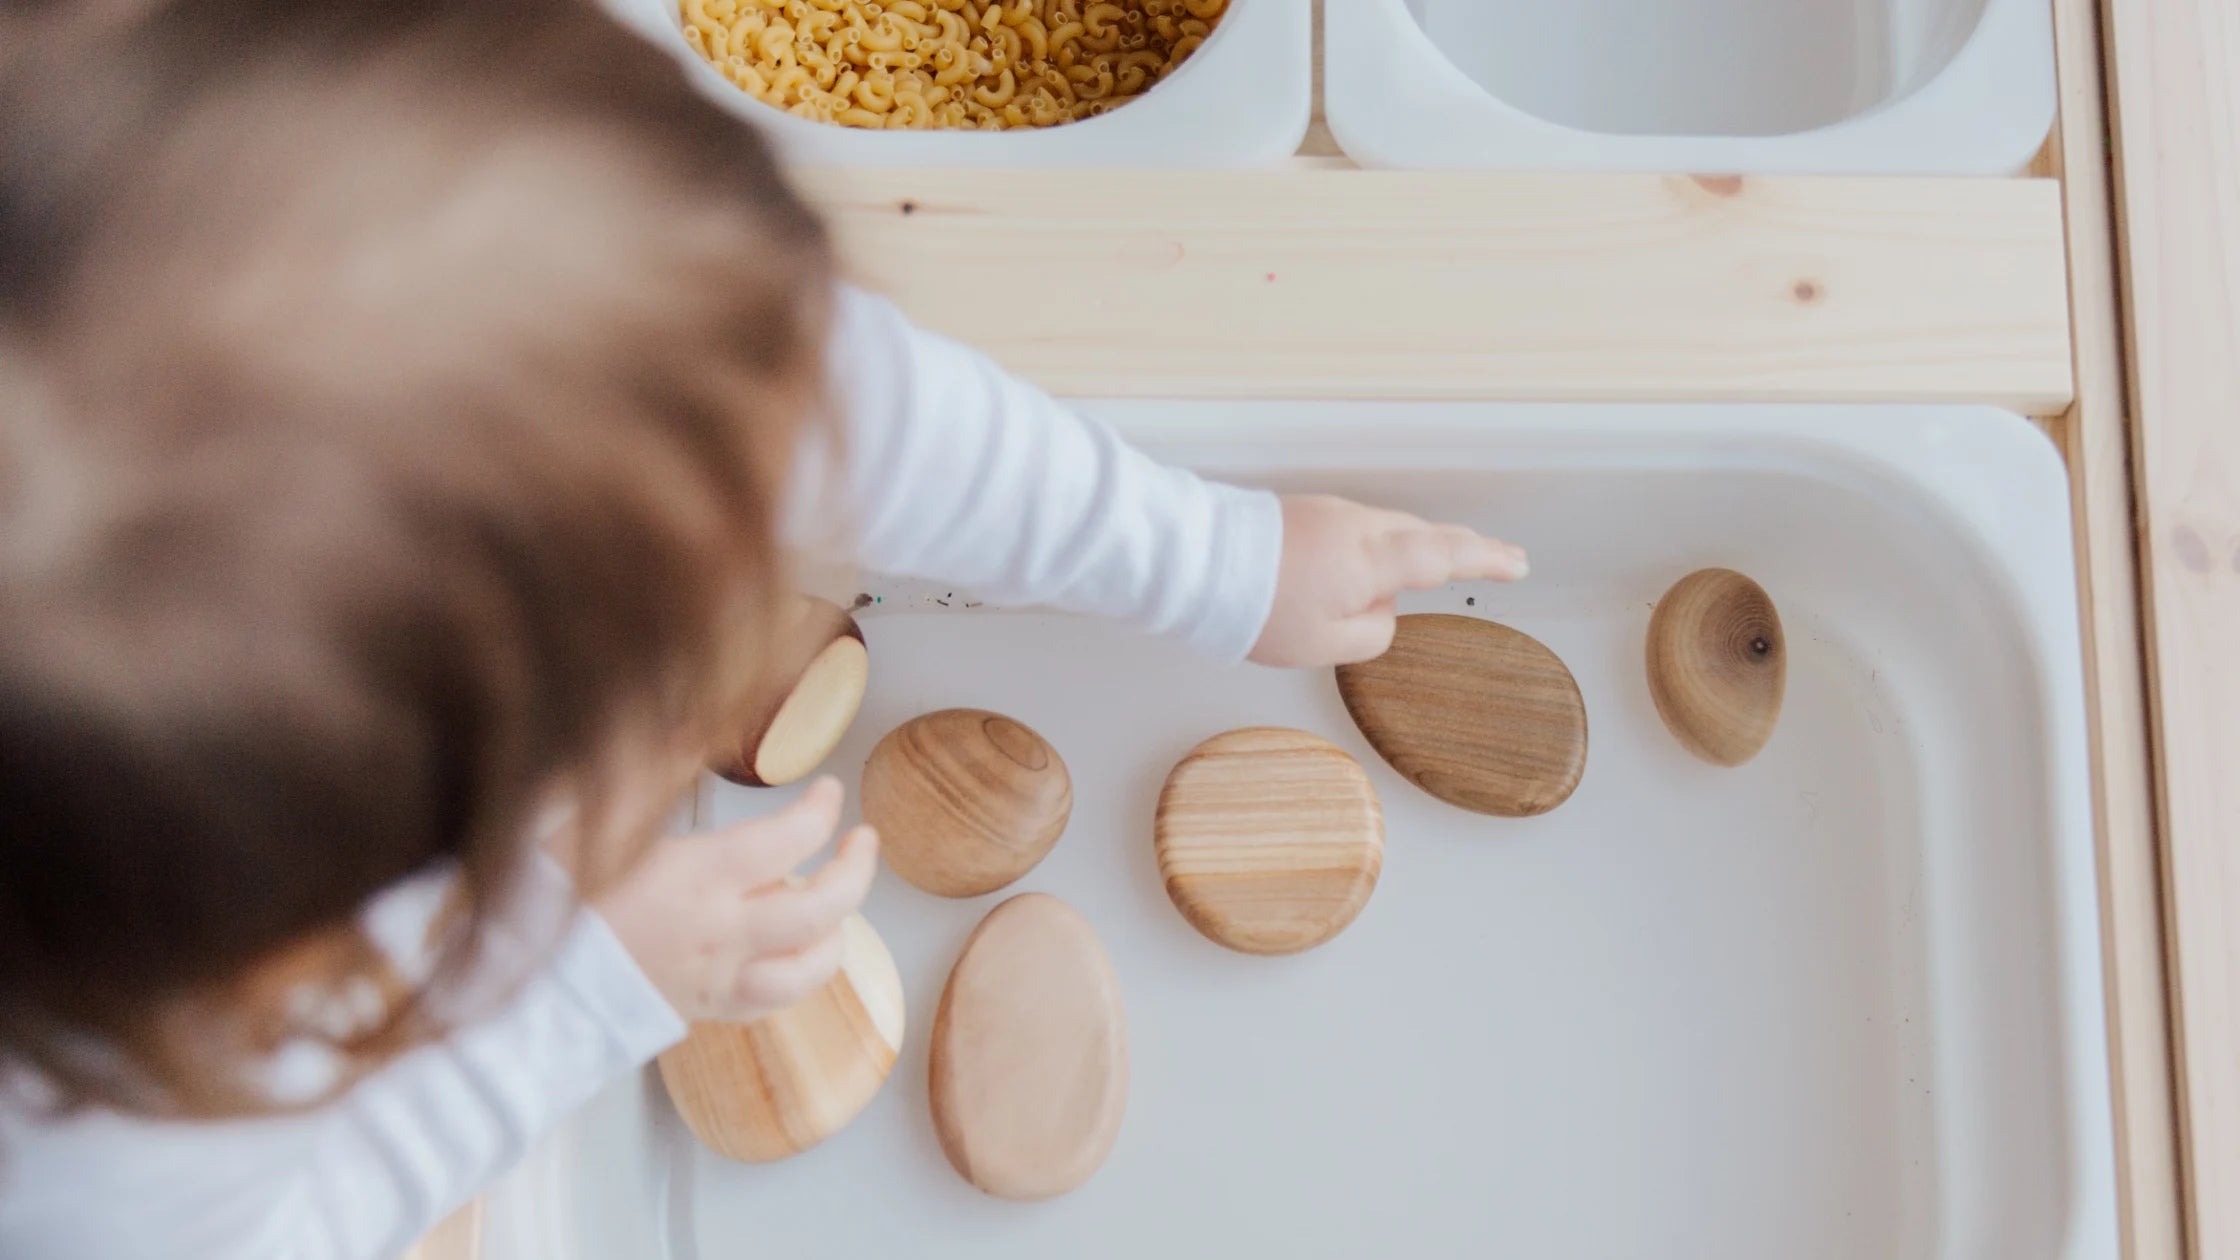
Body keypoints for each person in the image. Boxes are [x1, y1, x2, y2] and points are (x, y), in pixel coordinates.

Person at [0, 1, 1528, 1256]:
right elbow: (303, 1221)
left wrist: (1210, 559)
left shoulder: (406, 239)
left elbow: (805, 396)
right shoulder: (103, 1150)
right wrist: (585, 980)